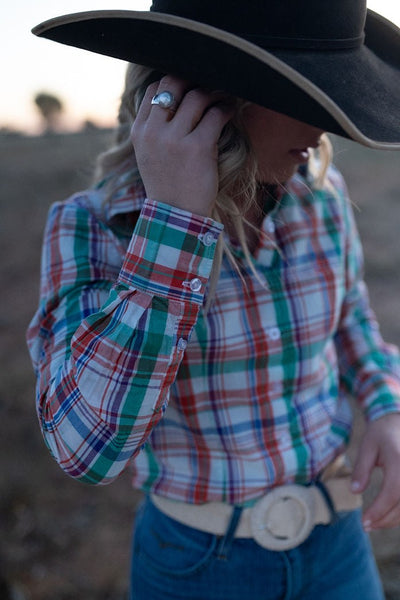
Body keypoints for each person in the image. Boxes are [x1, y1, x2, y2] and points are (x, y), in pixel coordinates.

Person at [28, 1, 400, 598]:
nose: (324, 126)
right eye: (309, 95)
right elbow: (85, 449)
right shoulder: (93, 227)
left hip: (338, 546)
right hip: (196, 567)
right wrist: (173, 224)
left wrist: (386, 405)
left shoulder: (321, 199)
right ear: (213, 97)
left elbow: (350, 315)